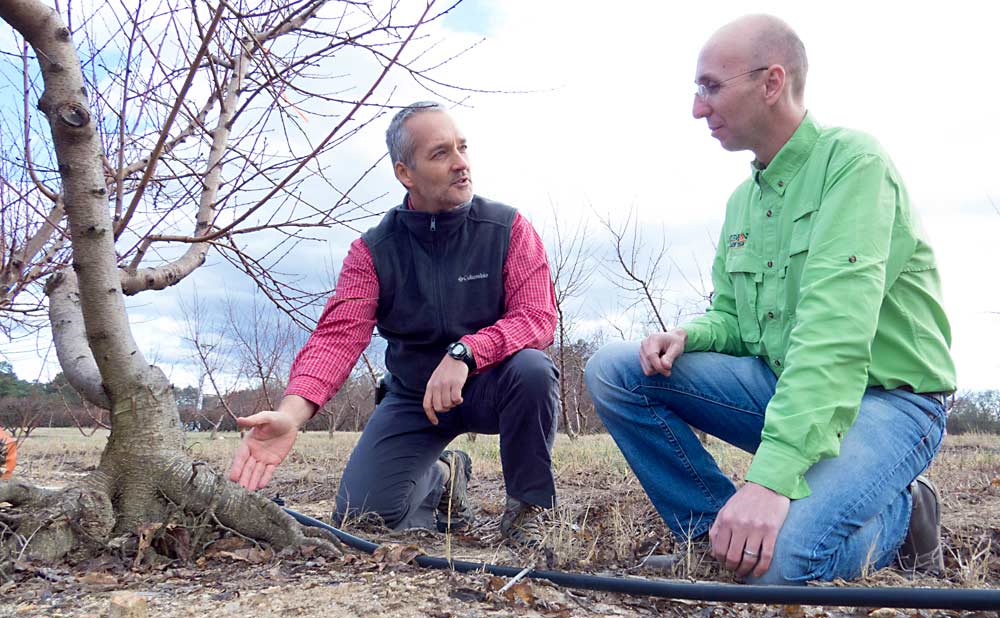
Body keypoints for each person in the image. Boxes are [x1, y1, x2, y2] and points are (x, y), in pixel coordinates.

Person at [585, 14, 955, 585]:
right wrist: (691, 335)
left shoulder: (855, 166)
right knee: (615, 370)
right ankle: (715, 538)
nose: (697, 108)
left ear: (771, 82)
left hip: (888, 402)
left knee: (782, 565)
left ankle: (904, 518)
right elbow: (735, 317)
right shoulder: (743, 202)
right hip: (787, 388)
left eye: (710, 86)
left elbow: (834, 336)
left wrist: (769, 480)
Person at [228, 102, 560, 547]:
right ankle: (444, 475)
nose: (462, 163)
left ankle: (528, 508)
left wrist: (467, 352)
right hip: (415, 398)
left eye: (462, 148)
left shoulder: (508, 228)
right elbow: (338, 337)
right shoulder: (372, 251)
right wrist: (292, 413)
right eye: (441, 153)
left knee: (534, 369)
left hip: (493, 385)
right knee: (362, 517)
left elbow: (537, 318)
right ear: (406, 173)